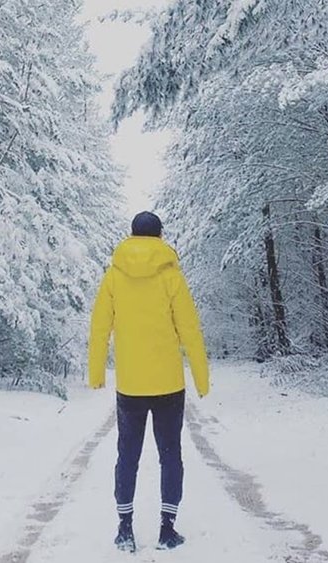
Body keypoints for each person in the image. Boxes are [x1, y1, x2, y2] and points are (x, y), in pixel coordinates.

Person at [88, 211, 210, 553]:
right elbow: (190, 329)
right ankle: (167, 529)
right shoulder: (171, 275)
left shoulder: (114, 275)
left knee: (127, 456)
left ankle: (124, 529)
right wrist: (201, 377)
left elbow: (99, 327)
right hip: (169, 383)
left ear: (131, 235)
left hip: (130, 385)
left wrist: (96, 372)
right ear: (159, 237)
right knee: (170, 455)